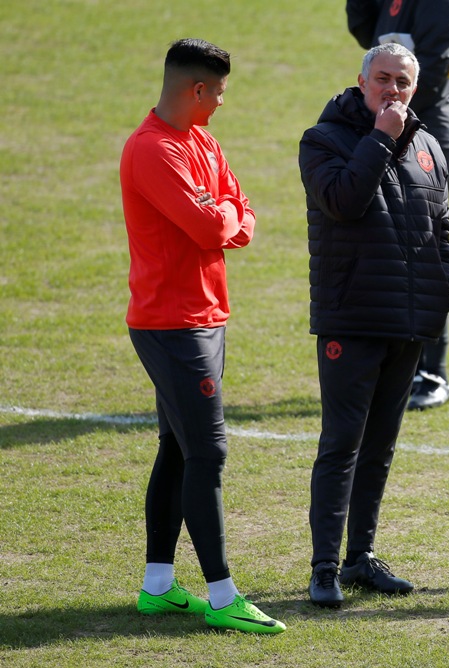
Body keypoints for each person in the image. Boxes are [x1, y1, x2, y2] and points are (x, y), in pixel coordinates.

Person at [119, 38, 285, 634]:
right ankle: (222, 596)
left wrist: (225, 218)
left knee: (177, 447)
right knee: (207, 453)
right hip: (172, 325)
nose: (220, 101)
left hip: (205, 318)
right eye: (217, 91)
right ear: (196, 89)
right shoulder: (151, 151)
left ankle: (158, 588)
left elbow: (239, 212)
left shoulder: (202, 140)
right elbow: (211, 222)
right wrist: (224, 218)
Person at [299, 42, 449, 607]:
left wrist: (442, 295)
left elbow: (440, 230)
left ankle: (360, 557)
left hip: (408, 323)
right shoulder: (324, 141)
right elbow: (344, 200)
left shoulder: (429, 146)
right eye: (383, 80)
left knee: (381, 446)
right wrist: (382, 137)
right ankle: (323, 568)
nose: (393, 91)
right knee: (342, 442)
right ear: (361, 83)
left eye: (404, 83)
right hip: (352, 319)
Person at [346, 0, 449, 410]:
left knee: (422, 247)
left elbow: (429, 67)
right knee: (378, 241)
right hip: (384, 125)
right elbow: (365, 29)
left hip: (422, 127)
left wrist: (400, 122)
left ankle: (430, 371)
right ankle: (380, 361)